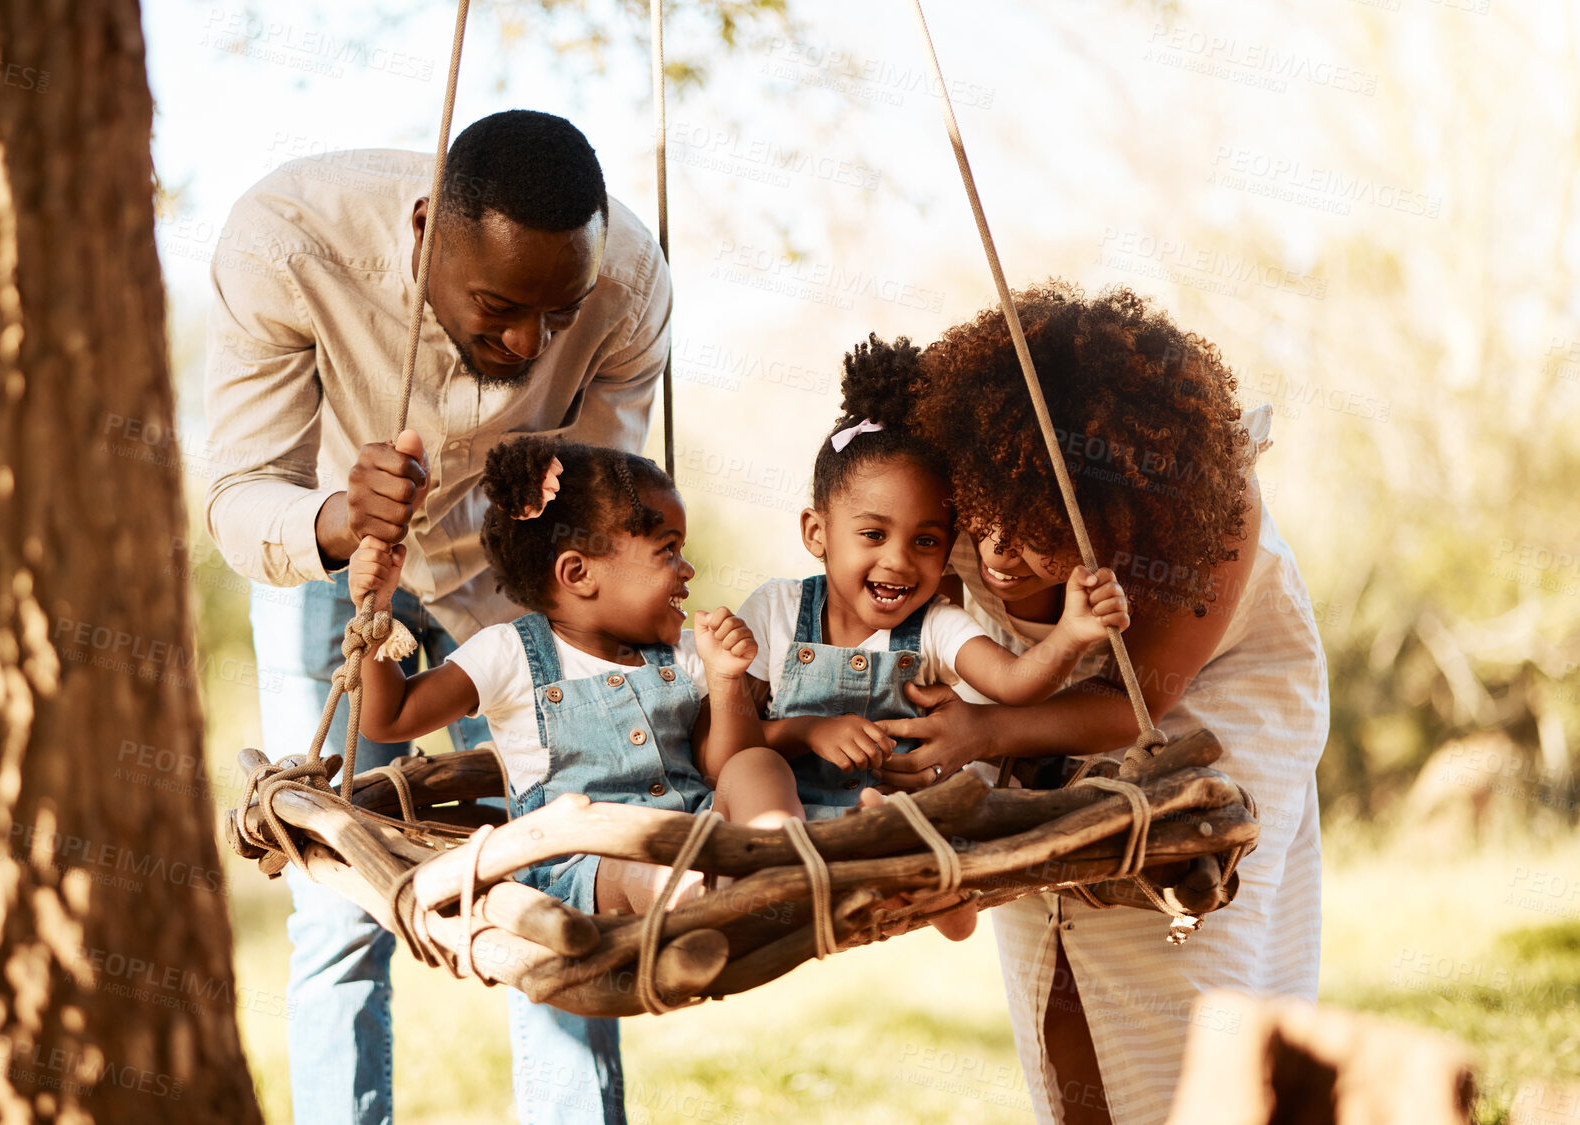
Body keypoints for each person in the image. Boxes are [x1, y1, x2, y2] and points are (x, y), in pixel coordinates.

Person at [204, 110, 670, 1125]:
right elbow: (238, 496)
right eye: (499, 306)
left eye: (558, 314)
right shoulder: (285, 237)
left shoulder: (633, 286)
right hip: (331, 560)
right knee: (339, 887)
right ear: (424, 231)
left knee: (562, 864)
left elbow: (601, 506)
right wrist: (336, 518)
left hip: (516, 564)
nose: (528, 342)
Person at [874, 283, 1329, 1125]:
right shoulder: (968, 476)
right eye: (987, 525)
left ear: (1123, 513)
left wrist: (990, 725)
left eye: (1042, 531)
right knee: (1048, 934)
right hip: (1027, 679)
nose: (1001, 559)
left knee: (1176, 954)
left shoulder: (1206, 506)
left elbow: (1139, 701)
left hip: (1204, 700)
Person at [348, 435, 791, 922]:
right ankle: (702, 897)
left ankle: (782, 869)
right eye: (667, 550)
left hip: (703, 841)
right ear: (579, 573)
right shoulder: (511, 653)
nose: (688, 569)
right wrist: (376, 613)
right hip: (586, 872)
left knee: (759, 767)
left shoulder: (684, 656)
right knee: (632, 863)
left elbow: (720, 768)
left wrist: (727, 681)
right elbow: (388, 719)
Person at [727, 334, 1129, 837]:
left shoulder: (936, 625)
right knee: (752, 767)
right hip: (786, 818)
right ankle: (789, 853)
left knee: (925, 801)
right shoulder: (777, 611)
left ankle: (929, 875)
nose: (898, 561)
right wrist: (809, 730)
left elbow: (1013, 683)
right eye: (873, 534)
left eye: (925, 540)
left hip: (886, 815)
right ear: (816, 532)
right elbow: (726, 749)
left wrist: (1070, 634)